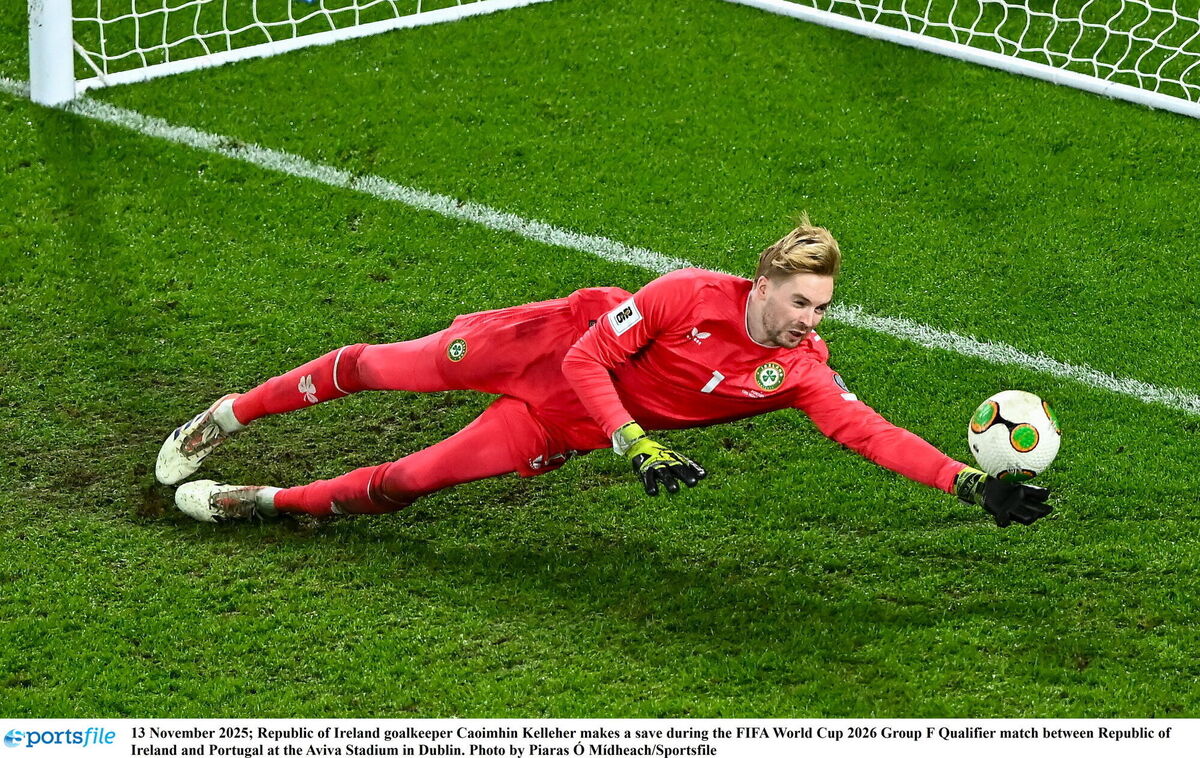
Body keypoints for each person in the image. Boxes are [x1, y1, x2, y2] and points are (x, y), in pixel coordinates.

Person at [156, 216, 1051, 528]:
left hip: (564, 424)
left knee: (409, 481)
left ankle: (259, 501)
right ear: (764, 283)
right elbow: (589, 356)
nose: (809, 322)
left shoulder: (799, 371)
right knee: (377, 368)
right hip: (545, 348)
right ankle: (227, 416)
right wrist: (634, 439)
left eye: (821, 309)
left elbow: (866, 430)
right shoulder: (684, 294)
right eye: (799, 303)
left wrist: (966, 482)